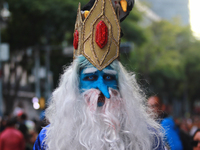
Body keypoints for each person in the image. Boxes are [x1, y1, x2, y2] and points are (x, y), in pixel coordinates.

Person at [33, 0, 165, 149]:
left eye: (109, 78)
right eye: (90, 77)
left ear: (122, 85)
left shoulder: (148, 139)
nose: (102, 88)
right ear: (74, 85)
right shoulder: (48, 140)